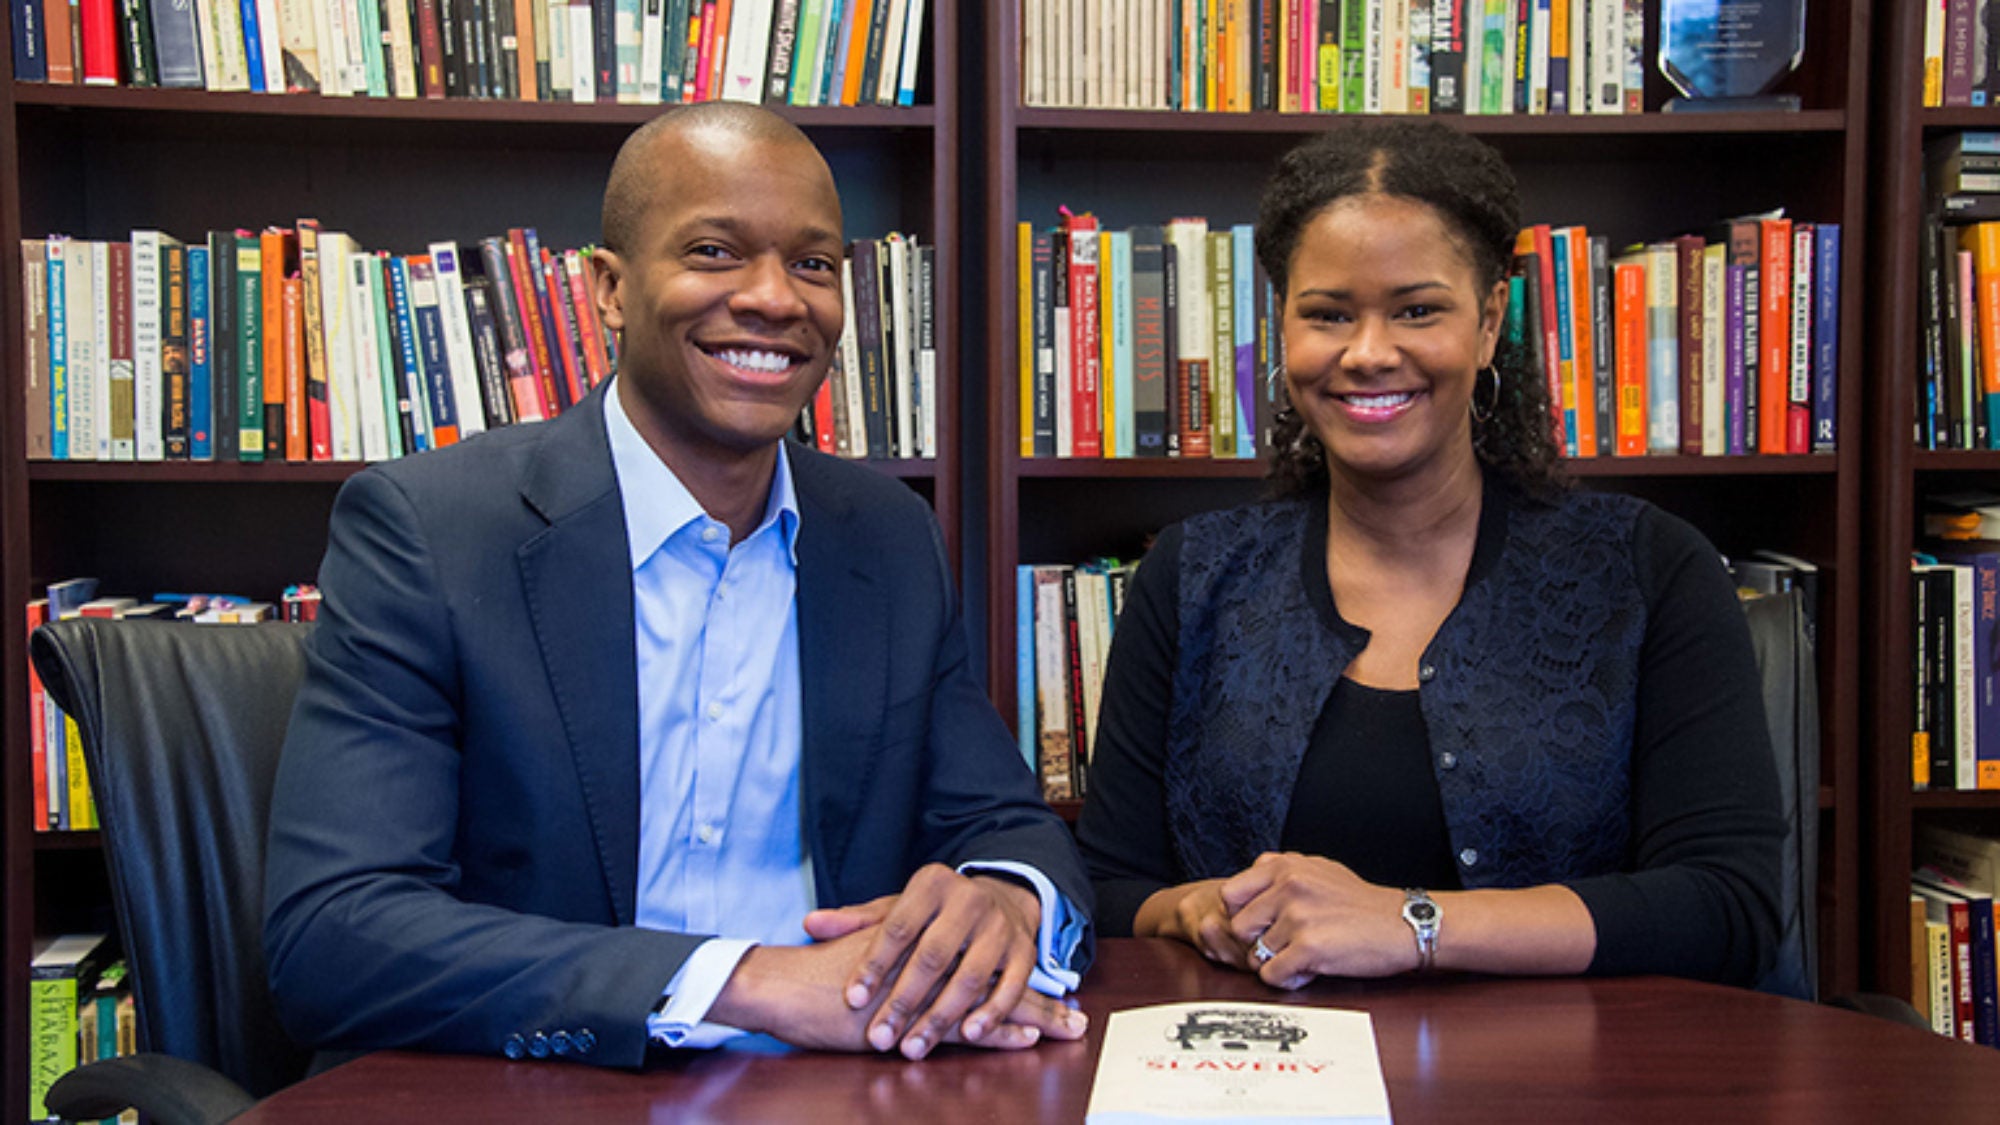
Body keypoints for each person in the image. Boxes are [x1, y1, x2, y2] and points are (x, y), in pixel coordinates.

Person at [264, 102, 1092, 1070]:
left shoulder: (887, 541)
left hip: (833, 1089)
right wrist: (750, 981)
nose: (776, 299)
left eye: (814, 265)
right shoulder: (431, 532)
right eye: (713, 251)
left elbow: (1003, 822)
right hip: (538, 1088)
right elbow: (334, 932)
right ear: (608, 289)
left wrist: (1001, 900)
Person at [1076, 120, 1783, 990]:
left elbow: (1728, 908)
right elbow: (1108, 889)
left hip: (1570, 1086)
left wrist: (1412, 921)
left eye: (1418, 309)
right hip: (1261, 1080)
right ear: (1284, 329)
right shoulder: (1192, 577)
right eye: (1328, 314)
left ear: (1488, 323)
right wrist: (1187, 910)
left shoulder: (1646, 570)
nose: (1369, 353)